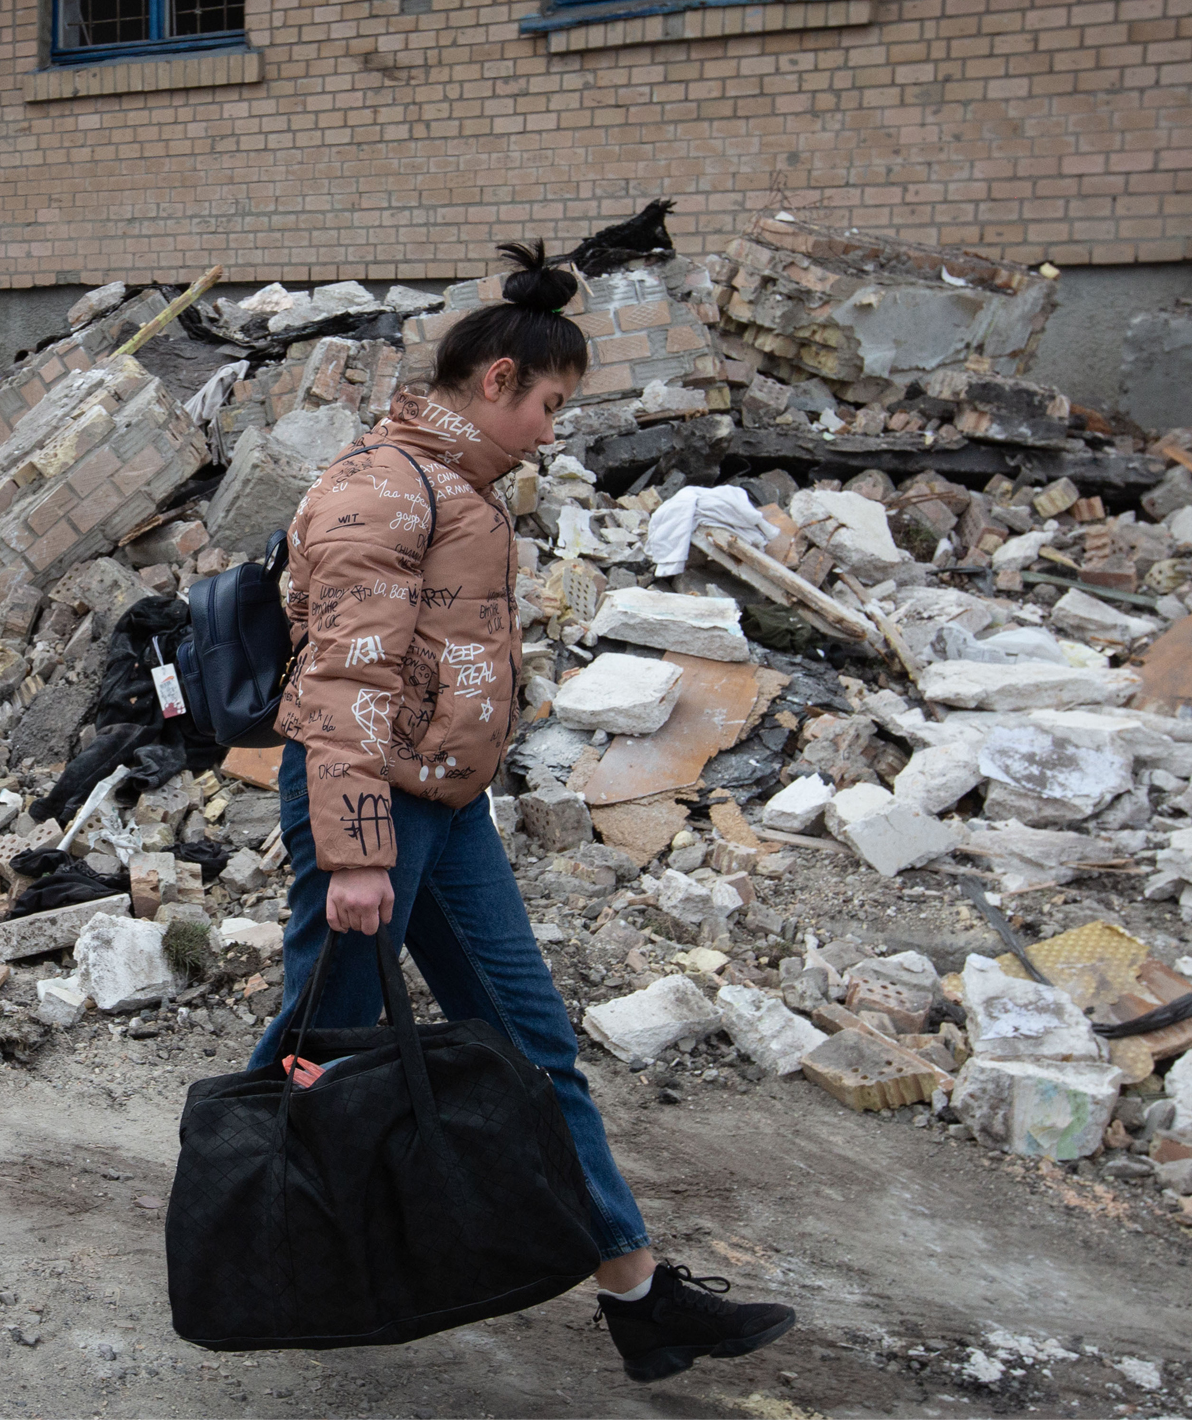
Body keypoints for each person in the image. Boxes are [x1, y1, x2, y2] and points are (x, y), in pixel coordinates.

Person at [249, 239, 797, 1383]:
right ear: (496, 381)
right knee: (316, 1059)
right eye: (548, 403)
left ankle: (637, 1293)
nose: (554, 428)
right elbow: (340, 688)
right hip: (375, 823)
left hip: (445, 816)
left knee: (533, 1048)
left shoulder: (458, 489)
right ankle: (241, 1243)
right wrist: (356, 856)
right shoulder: (379, 487)